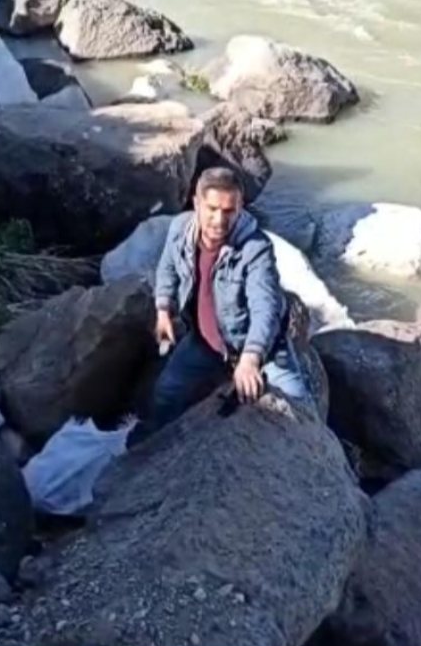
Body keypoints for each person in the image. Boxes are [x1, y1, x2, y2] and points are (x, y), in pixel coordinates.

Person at [134, 167, 312, 442]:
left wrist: (251, 359)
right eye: (212, 209)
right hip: (204, 342)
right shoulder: (180, 229)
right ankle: (146, 450)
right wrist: (163, 310)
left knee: (301, 412)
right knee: (166, 393)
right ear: (197, 203)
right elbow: (167, 267)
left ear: (240, 208)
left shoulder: (256, 248)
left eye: (229, 211)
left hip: (261, 349)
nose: (219, 220)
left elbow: (265, 307)